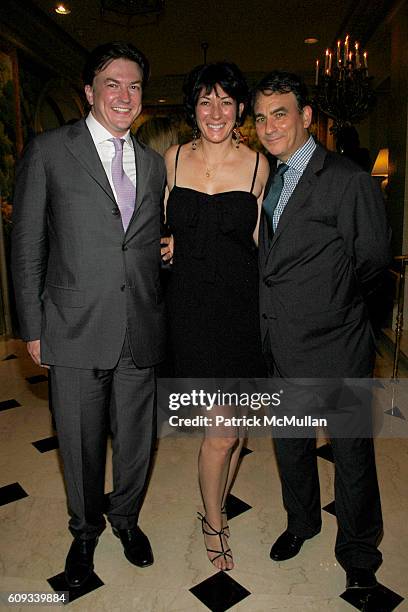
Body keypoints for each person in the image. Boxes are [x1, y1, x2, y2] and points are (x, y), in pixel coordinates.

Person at [11, 41, 166, 588]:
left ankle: (125, 520)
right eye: (113, 84)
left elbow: (136, 242)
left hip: (140, 326)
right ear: (89, 92)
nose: (125, 96)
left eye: (135, 86)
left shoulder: (151, 164)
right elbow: (27, 242)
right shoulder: (51, 150)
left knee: (136, 440)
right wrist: (31, 326)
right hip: (72, 326)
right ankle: (84, 532)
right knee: (78, 440)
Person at [252, 71, 390, 590]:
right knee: (290, 441)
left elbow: (374, 265)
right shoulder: (269, 178)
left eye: (280, 113)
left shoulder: (346, 178)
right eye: (261, 117)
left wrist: (349, 321)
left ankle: (358, 553)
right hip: (278, 342)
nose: (269, 126)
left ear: (306, 116)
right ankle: (301, 521)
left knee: (351, 453)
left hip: (337, 345)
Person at [163, 62, 269, 571]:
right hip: (190, 312)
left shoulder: (256, 166)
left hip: (238, 309)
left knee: (237, 429)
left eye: (226, 102)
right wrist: (163, 245)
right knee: (221, 433)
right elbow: (160, 224)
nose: (216, 112)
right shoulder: (172, 159)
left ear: (240, 110)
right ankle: (213, 520)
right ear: (194, 109)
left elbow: (263, 244)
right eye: (206, 101)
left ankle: (216, 503)